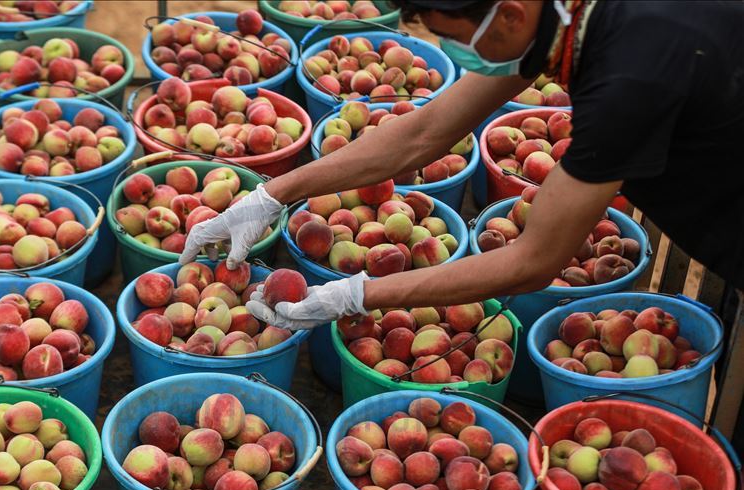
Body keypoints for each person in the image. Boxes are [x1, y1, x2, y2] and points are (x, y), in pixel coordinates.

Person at [178, 0, 744, 331]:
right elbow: (425, 131)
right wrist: (274, 194)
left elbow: (533, 261)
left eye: (452, 38)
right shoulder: (562, 18)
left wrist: (358, 295)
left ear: (508, 16)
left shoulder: (631, 82)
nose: (456, 57)